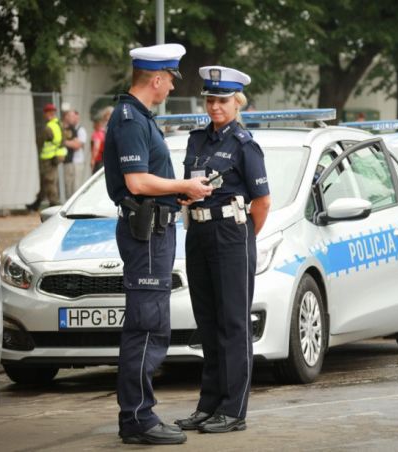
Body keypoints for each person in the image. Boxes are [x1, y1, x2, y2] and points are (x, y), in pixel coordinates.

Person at [103, 43, 213, 445]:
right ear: (156, 78)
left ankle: (140, 414)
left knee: (152, 325)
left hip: (154, 230)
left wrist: (176, 196)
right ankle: (137, 419)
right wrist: (182, 185)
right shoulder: (131, 119)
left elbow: (148, 183)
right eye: (169, 79)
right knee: (147, 328)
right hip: (146, 235)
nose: (170, 87)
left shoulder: (138, 117)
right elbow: (136, 182)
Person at [175, 66, 271, 434]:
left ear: (237, 103)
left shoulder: (245, 145)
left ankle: (233, 410)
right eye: (211, 100)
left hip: (231, 236)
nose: (215, 106)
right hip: (197, 233)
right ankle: (209, 405)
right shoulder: (197, 140)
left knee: (233, 324)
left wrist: (242, 238)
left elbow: (261, 202)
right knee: (209, 324)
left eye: (223, 101)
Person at [26, 103, 66, 211]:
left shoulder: (49, 127)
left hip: (49, 157)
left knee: (49, 180)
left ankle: (54, 204)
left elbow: (40, 142)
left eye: (46, 113)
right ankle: (37, 203)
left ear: (48, 114)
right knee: (45, 181)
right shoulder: (58, 124)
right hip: (55, 156)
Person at [91, 106, 112, 174]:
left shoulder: (99, 132)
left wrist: (93, 160)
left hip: (100, 160)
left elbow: (96, 147)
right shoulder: (113, 128)